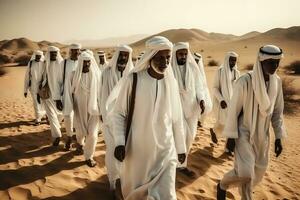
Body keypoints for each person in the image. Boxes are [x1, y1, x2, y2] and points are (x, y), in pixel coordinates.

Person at [112, 36, 186, 200]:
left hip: (166, 152)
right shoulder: (134, 80)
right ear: (150, 56)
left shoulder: (171, 82)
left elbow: (177, 118)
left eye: (168, 58)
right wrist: (119, 142)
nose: (165, 62)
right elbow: (119, 113)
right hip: (138, 151)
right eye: (160, 58)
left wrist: (181, 148)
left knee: (167, 195)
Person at [217, 45, 287, 200]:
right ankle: (222, 185)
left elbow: (277, 112)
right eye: (270, 62)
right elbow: (233, 111)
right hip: (244, 132)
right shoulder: (245, 81)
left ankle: (231, 188)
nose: (274, 66)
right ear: (261, 61)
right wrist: (230, 138)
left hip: (263, 135)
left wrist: (278, 137)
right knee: (246, 173)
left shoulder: (277, 82)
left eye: (277, 62)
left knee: (258, 172)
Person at [99, 45, 134, 190]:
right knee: (113, 149)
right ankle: (113, 181)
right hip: (109, 120)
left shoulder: (132, 73)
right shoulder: (106, 73)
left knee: (127, 152)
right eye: (121, 55)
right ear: (117, 55)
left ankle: (124, 180)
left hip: (127, 120)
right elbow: (101, 95)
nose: (124, 58)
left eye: (126, 55)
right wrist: (104, 115)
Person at [171, 42, 205, 177]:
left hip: (191, 108)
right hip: (176, 109)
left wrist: (201, 99)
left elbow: (199, 86)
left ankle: (181, 163)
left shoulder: (192, 67)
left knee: (190, 137)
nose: (183, 57)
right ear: (175, 54)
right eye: (180, 54)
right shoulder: (170, 69)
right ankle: (179, 165)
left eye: (185, 54)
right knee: (178, 136)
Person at [64, 51, 101, 167]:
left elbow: (101, 93)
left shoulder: (97, 75)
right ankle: (80, 144)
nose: (87, 65)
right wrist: (68, 107)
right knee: (80, 132)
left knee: (93, 135)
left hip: (94, 110)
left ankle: (89, 156)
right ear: (80, 63)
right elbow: (68, 92)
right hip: (78, 109)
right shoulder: (72, 75)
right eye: (84, 62)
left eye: (88, 62)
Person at [211, 52, 240, 152]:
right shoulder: (220, 71)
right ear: (227, 60)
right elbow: (215, 88)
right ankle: (214, 131)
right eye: (231, 59)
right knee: (222, 123)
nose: (233, 62)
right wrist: (221, 100)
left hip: (234, 103)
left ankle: (228, 148)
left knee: (232, 125)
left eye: (234, 60)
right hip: (223, 103)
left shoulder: (237, 73)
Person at [56, 43, 81, 150]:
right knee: (67, 115)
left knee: (80, 116)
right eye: (74, 50)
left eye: (78, 50)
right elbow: (58, 81)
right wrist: (57, 98)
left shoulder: (82, 62)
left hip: (80, 93)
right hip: (67, 93)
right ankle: (69, 137)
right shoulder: (64, 63)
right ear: (70, 51)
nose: (76, 52)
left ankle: (80, 140)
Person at [41, 46, 63, 146]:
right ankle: (57, 134)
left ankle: (56, 131)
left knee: (60, 114)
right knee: (51, 115)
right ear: (48, 54)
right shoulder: (45, 64)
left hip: (60, 95)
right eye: (52, 53)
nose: (54, 55)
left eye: (55, 53)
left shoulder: (62, 63)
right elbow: (41, 78)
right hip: (48, 94)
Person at [24, 50, 46, 125]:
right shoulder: (31, 63)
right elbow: (27, 76)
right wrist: (25, 90)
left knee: (43, 103)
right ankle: (38, 119)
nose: (38, 58)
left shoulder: (44, 63)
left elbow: (46, 75)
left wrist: (43, 83)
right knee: (36, 103)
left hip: (42, 87)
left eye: (39, 56)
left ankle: (44, 115)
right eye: (37, 56)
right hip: (33, 87)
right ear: (34, 56)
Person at [193, 52, 213, 129]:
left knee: (203, 106)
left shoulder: (200, 69)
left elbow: (202, 83)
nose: (196, 62)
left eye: (198, 60)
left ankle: (199, 121)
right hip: (192, 91)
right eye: (195, 60)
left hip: (200, 91)